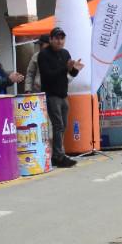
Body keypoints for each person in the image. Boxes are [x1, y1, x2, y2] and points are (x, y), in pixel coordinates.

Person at [37, 27, 84, 168]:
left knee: (63, 126)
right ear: (50, 39)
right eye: (56, 38)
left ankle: (58, 154)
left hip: (63, 94)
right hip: (52, 95)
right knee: (58, 125)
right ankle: (58, 155)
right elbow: (47, 75)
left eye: (62, 38)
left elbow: (71, 74)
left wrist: (74, 68)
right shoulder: (43, 55)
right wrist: (66, 67)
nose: (59, 41)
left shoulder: (65, 53)